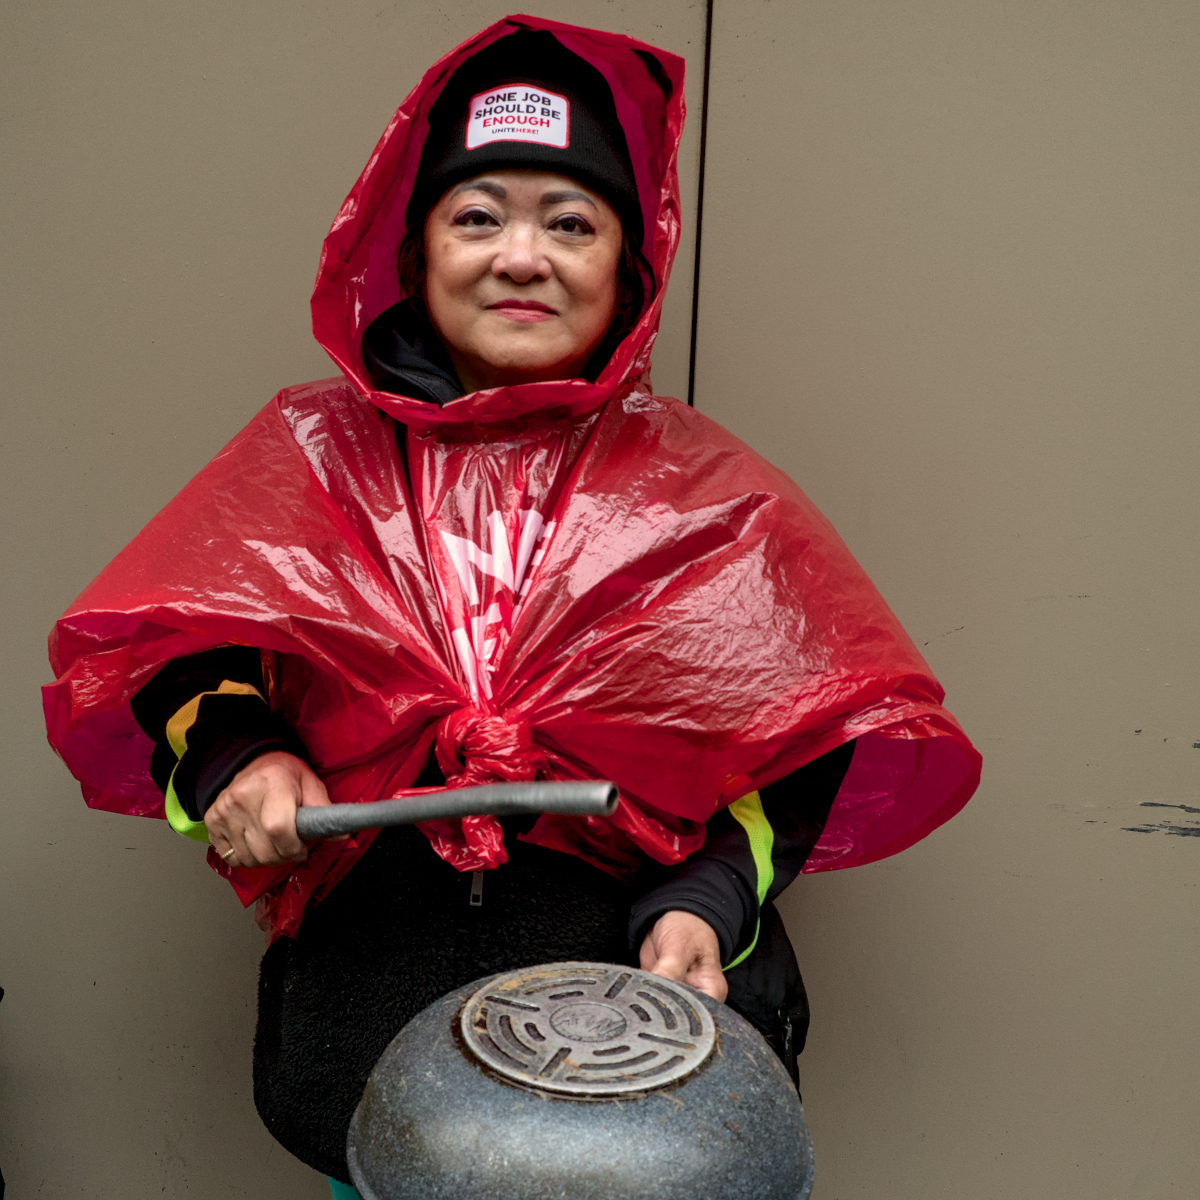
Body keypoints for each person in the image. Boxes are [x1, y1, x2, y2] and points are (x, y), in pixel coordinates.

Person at [44, 17, 980, 1193]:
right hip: (363, 1044)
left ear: (627, 262)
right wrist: (238, 753)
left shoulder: (709, 495)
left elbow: (806, 743)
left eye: (570, 222)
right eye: (478, 215)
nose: (521, 256)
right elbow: (178, 654)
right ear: (414, 246)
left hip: (634, 1082)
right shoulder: (307, 459)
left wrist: (706, 898)